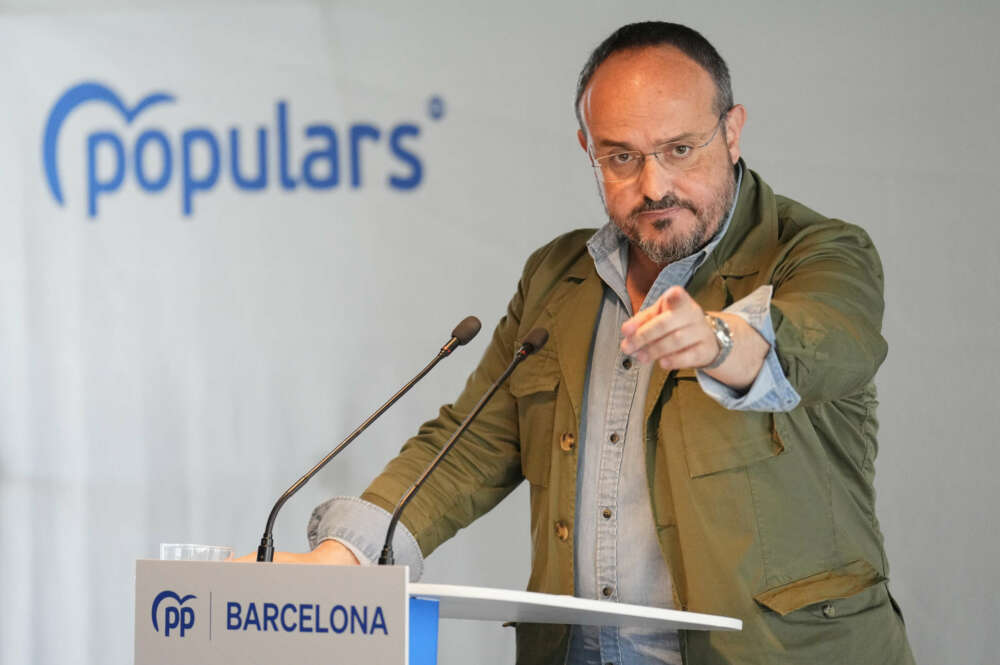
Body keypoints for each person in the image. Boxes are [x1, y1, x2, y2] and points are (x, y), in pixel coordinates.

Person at [261, 21, 915, 665]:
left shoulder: (819, 252)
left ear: (733, 129)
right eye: (621, 156)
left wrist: (720, 338)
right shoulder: (556, 276)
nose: (653, 184)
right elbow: (469, 448)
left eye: (680, 149)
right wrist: (344, 555)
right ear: (587, 148)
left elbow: (832, 344)